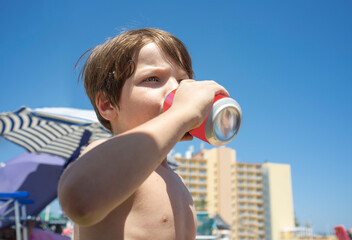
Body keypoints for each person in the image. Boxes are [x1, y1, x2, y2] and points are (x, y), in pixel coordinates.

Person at [57, 28, 228, 240]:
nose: (175, 91)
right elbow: (79, 200)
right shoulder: (107, 160)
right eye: (154, 78)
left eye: (183, 82)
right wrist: (182, 112)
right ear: (108, 104)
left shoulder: (176, 180)